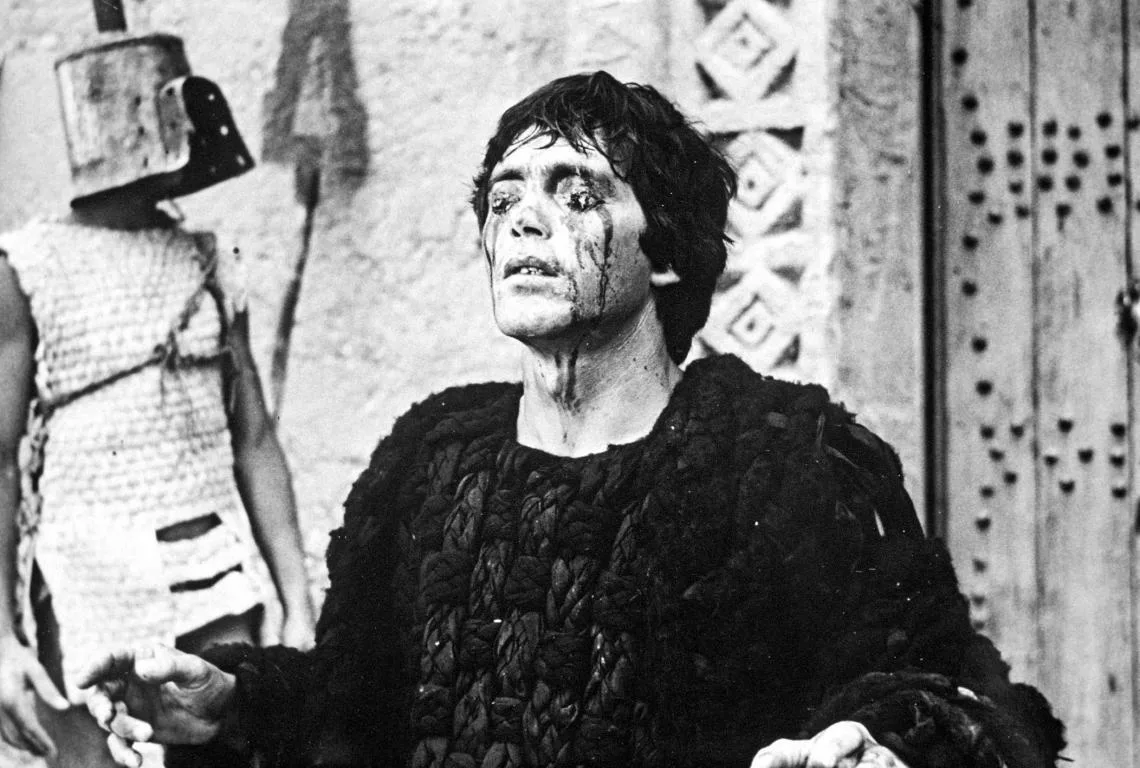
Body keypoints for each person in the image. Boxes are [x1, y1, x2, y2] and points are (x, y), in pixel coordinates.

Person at [79, 71, 1064, 768]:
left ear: (665, 249)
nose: (522, 221)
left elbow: (938, 685)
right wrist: (231, 704)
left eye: (576, 193)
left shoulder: (786, 455)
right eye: (504, 199)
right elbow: (352, 708)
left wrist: (881, 745)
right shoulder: (431, 459)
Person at [0, 29, 315, 768]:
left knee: (225, 746)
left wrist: (298, 602)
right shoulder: (28, 267)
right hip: (87, 585)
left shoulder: (209, 259)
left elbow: (255, 439)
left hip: (215, 576)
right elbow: (0, 460)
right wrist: (1, 640)